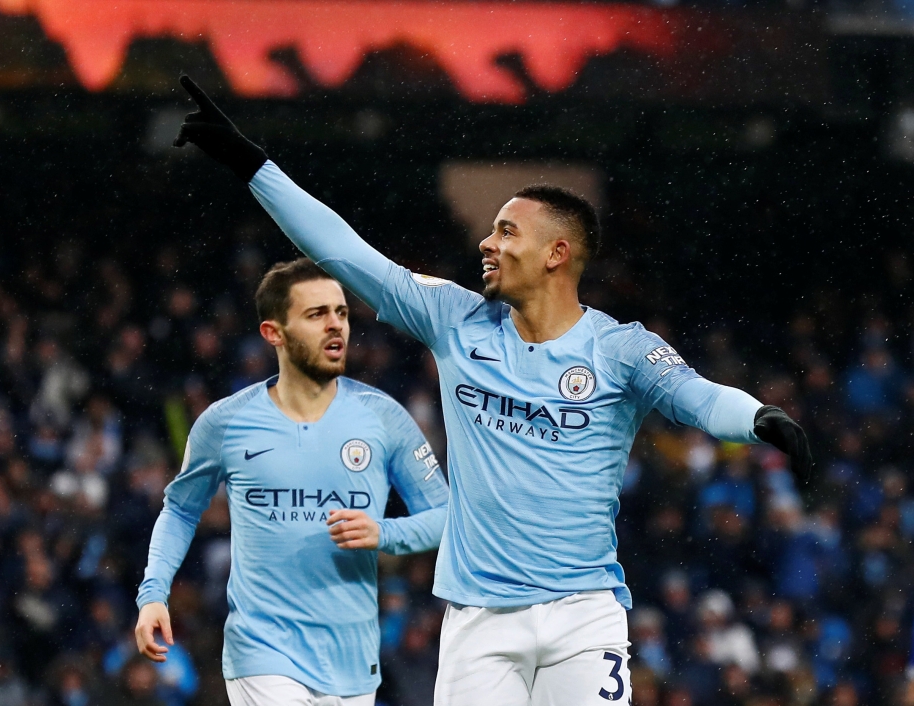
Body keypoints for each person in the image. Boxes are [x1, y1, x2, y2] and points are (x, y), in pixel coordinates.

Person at [171, 76, 812, 706]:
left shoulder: (621, 349)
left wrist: (759, 417)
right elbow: (345, 252)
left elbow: (696, 396)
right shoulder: (456, 321)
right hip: (478, 619)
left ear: (557, 253)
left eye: (507, 232)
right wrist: (249, 163)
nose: (487, 240)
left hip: (583, 618)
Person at [134, 259, 450, 706]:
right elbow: (181, 508)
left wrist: (385, 533)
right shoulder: (226, 422)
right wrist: (153, 594)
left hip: (353, 660)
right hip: (263, 651)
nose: (336, 326)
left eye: (340, 313)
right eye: (316, 314)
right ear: (273, 333)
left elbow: (446, 516)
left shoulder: (383, 417)